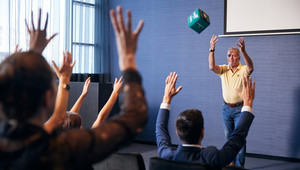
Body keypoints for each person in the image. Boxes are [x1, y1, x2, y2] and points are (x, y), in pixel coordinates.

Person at [0, 6, 147, 169]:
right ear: (46, 99)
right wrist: (128, 62)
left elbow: (58, 119)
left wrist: (33, 56)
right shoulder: (63, 150)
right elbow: (134, 117)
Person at [156, 72, 255, 169]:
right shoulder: (213, 157)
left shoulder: (167, 155)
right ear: (202, 133)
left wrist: (166, 98)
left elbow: (160, 128)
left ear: (177, 132)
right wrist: (248, 102)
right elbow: (237, 138)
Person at [208, 35, 254, 167]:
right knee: (229, 138)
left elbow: (251, 67)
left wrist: (244, 51)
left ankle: (240, 165)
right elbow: (211, 66)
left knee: (240, 139)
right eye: (229, 55)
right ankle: (231, 162)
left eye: (234, 55)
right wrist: (212, 49)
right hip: (226, 109)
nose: (231, 58)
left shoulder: (243, 69)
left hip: (240, 109)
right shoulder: (223, 69)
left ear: (239, 58)